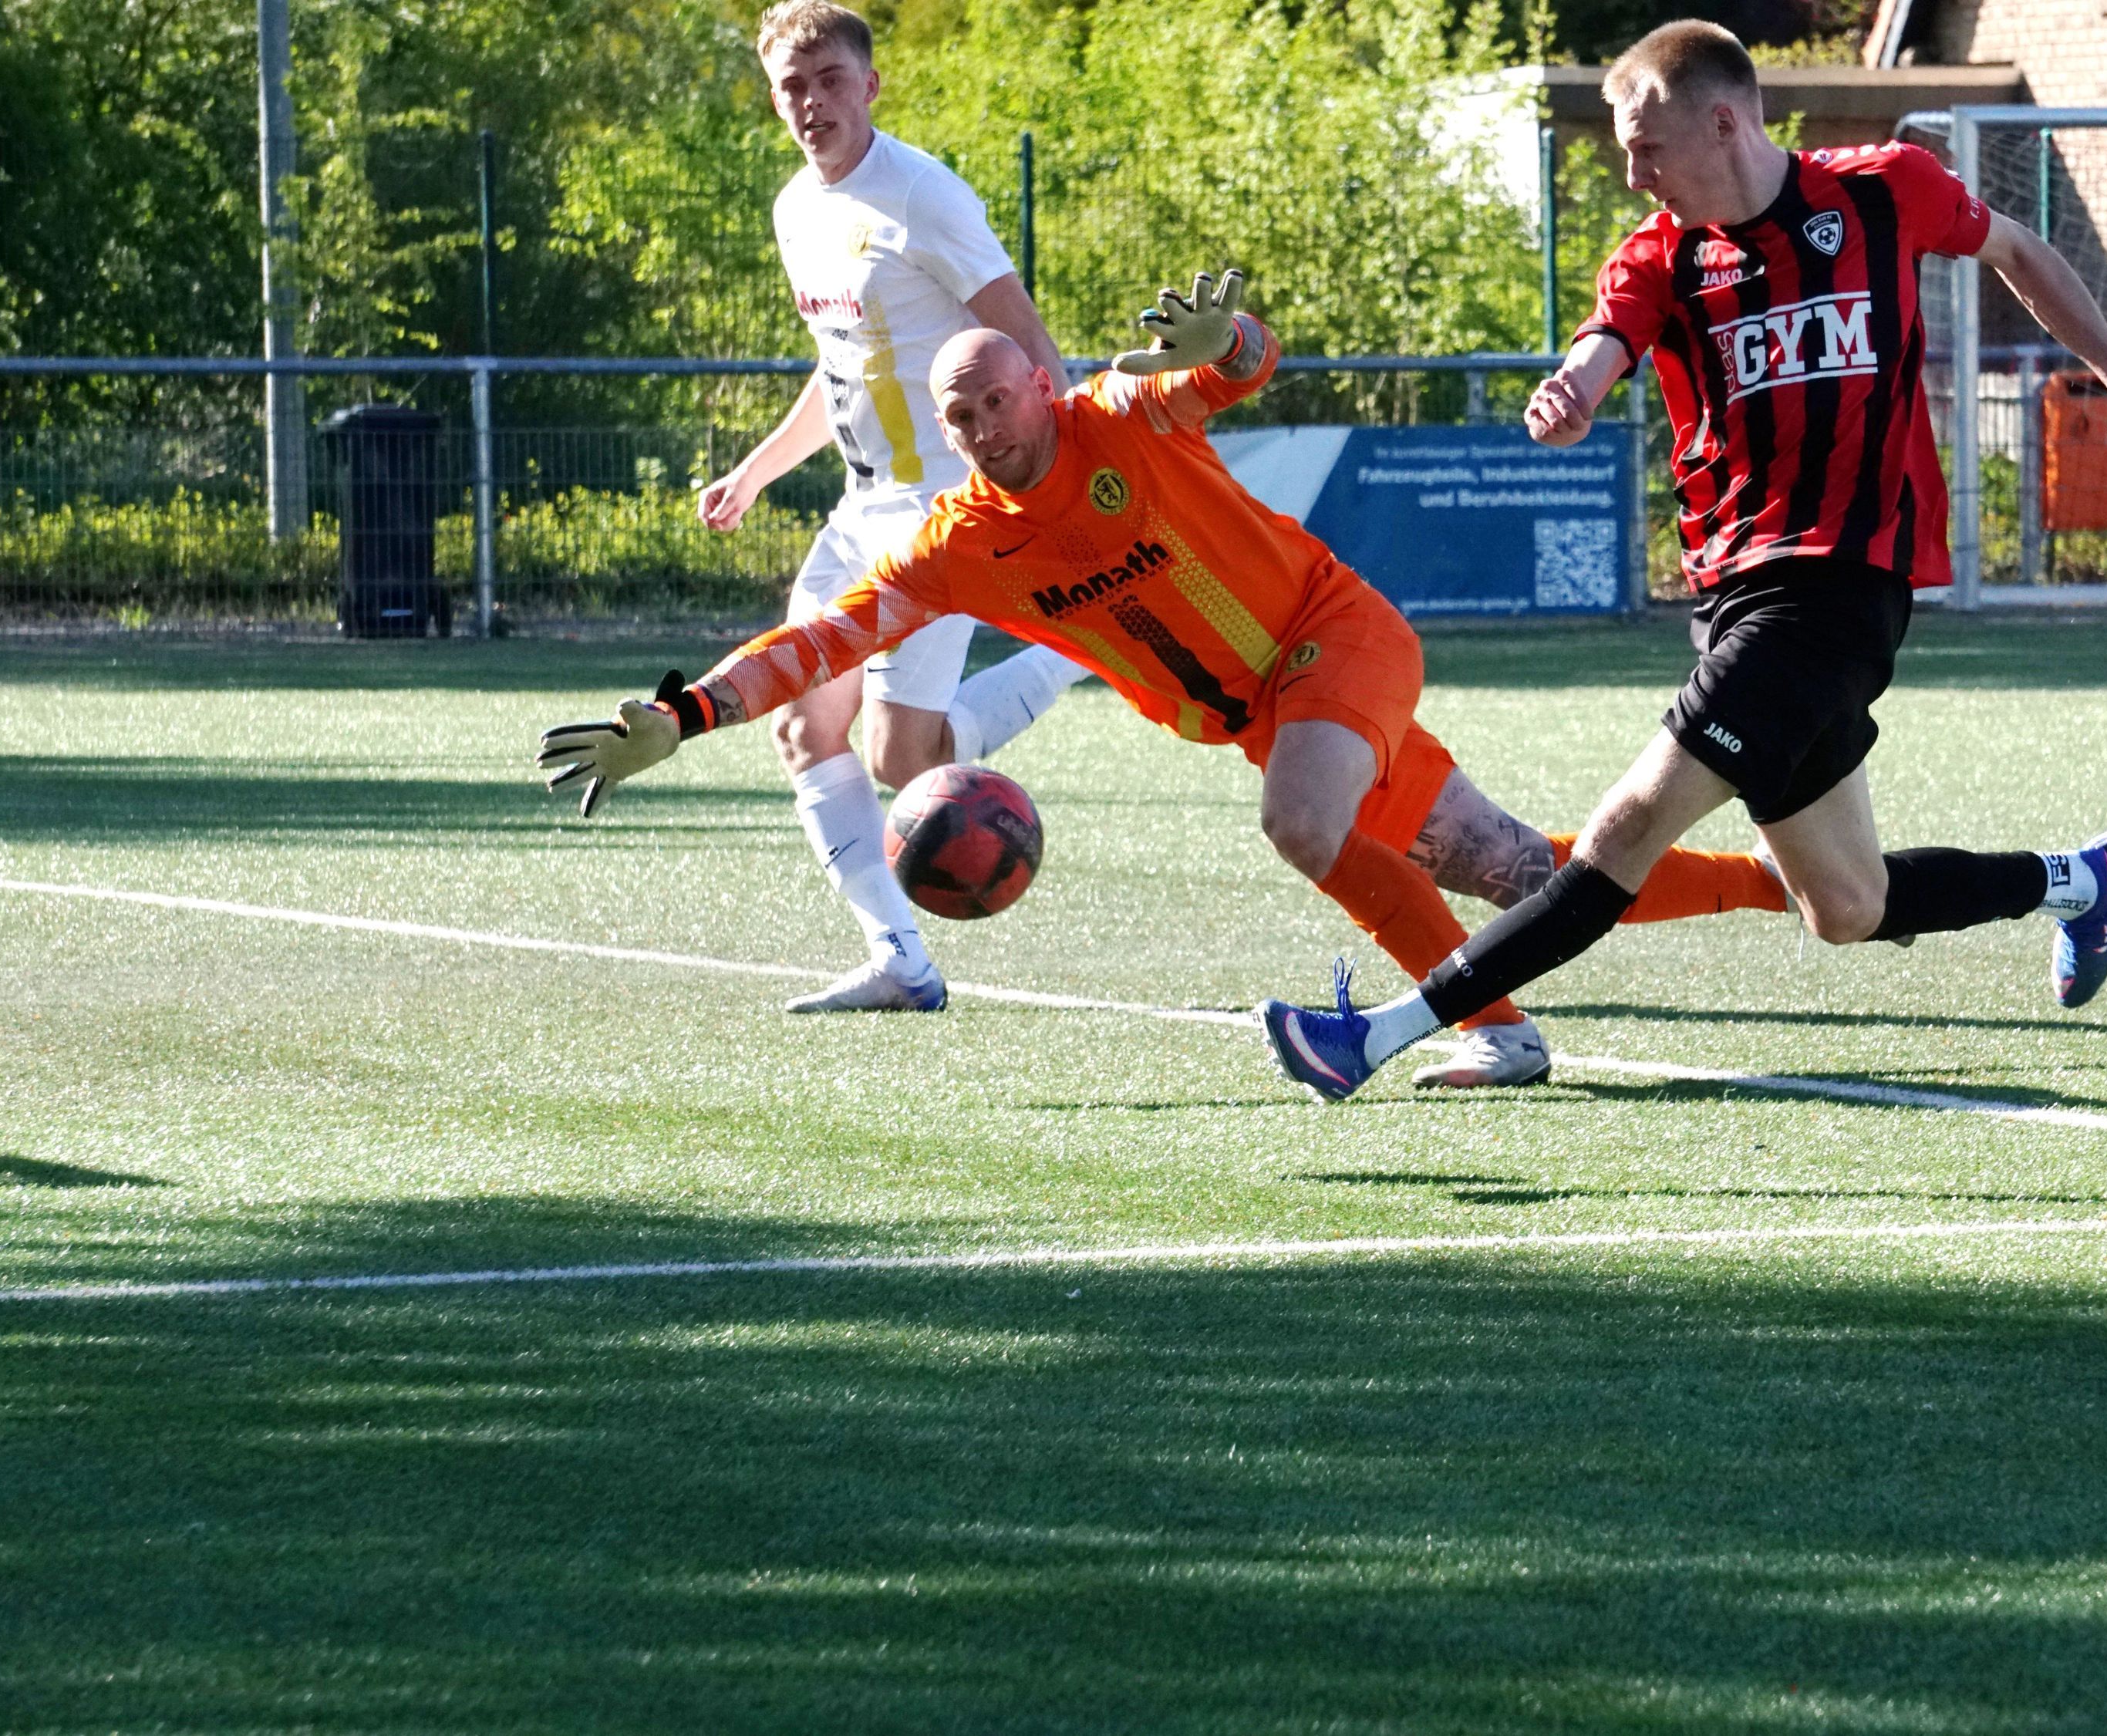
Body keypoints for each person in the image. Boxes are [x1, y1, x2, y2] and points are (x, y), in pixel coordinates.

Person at [1257, 20, 2107, 1102]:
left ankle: (1373, 1036)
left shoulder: (1886, 190)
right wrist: (1577, 391)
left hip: (1841, 588)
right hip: (1732, 597)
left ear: (1724, 121)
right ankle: (2080, 881)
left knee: (1627, 825)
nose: (1635, 174)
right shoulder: (1662, 253)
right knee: (1847, 906)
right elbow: (1609, 339)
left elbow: (2016, 251)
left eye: (1647, 148)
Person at [538, 274, 1793, 1089]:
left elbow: (1233, 368)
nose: (981, 425)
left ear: (1039, 380)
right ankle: (1776, 888)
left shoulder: (1117, 417)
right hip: (1266, 710)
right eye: (957, 415)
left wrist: (1234, 338)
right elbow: (820, 646)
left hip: (1334, 632)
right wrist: (685, 716)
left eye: (994, 396)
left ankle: (1487, 1033)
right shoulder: (958, 544)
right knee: (1517, 871)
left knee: (1303, 824)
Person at [691, 0, 1095, 1014]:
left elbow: (1031, 350)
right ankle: (901, 961)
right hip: (857, 511)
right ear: (775, 99)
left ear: (870, 86)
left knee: (899, 757)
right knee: (802, 728)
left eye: (832, 81)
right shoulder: (795, 210)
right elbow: (841, 369)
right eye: (794, 87)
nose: (813, 103)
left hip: (942, 510)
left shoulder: (922, 194)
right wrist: (759, 470)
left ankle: (1062, 655)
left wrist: (1062, 490)